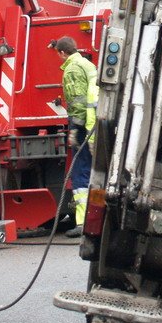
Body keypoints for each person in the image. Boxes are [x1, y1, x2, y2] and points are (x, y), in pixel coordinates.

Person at [52, 36, 98, 238]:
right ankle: (96, 220)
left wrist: (74, 129)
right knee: (95, 172)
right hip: (94, 123)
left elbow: (77, 100)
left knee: (81, 173)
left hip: (82, 126)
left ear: (62, 52)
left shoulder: (72, 68)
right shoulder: (87, 64)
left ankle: (83, 223)